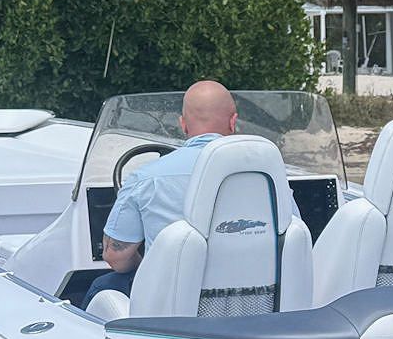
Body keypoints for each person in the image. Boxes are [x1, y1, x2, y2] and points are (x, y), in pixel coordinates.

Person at [81, 80, 298, 308]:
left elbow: (116, 257)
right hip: (257, 303)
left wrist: (150, 264)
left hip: (176, 310)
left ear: (183, 125)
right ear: (233, 122)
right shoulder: (268, 178)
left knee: (101, 286)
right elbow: (293, 237)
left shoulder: (146, 178)